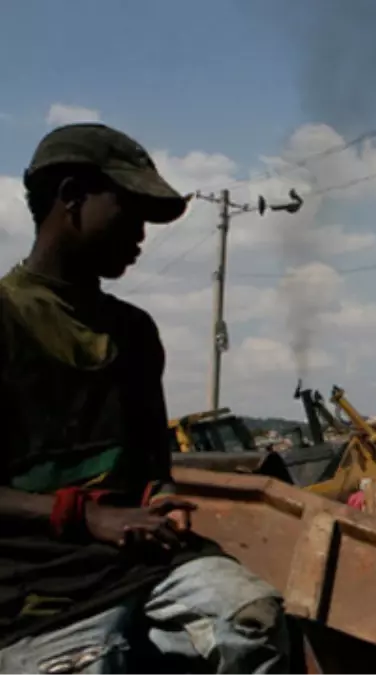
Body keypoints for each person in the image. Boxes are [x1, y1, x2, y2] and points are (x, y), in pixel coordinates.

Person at [0, 124, 289, 674]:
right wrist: (83, 515)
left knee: (253, 622)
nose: (140, 235)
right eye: (129, 211)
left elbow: (152, 464)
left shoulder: (134, 332)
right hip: (30, 586)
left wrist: (160, 495)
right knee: (94, 661)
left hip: (141, 566)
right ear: (71, 198)